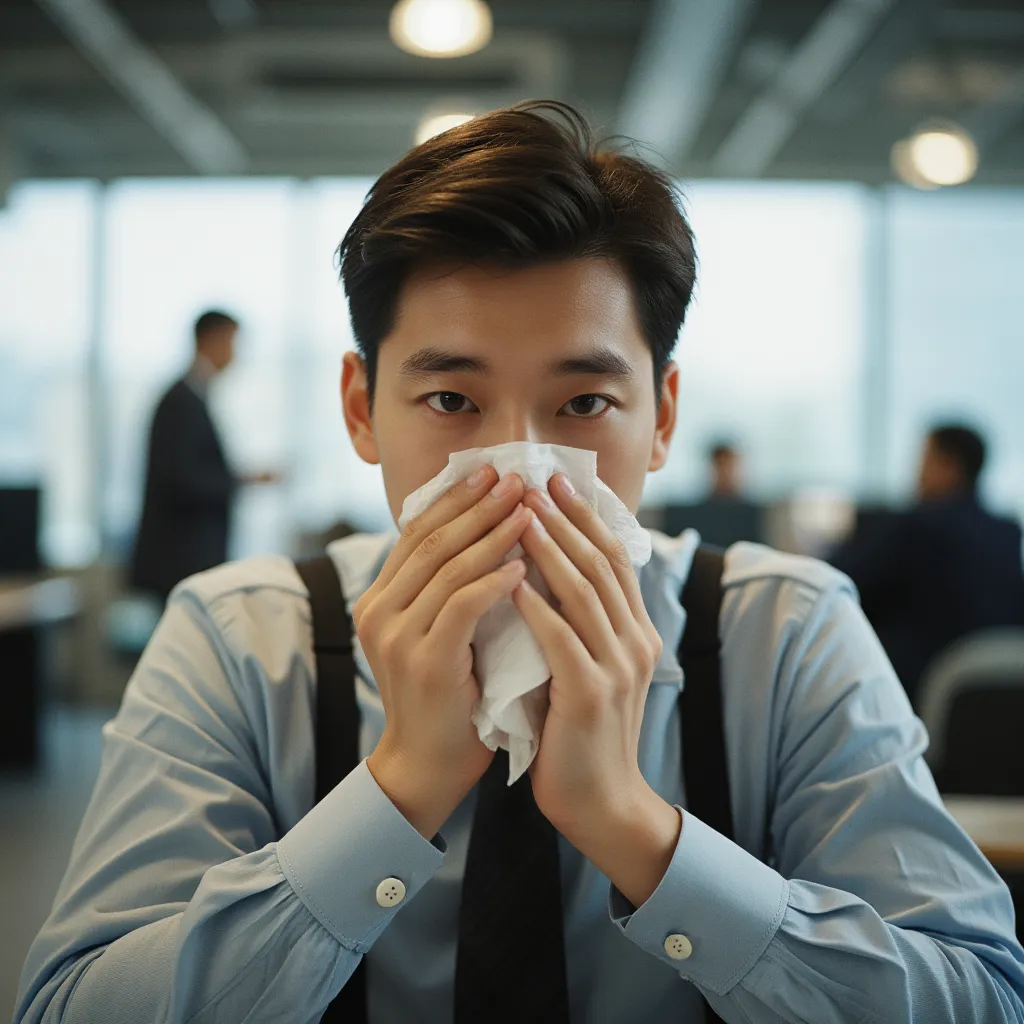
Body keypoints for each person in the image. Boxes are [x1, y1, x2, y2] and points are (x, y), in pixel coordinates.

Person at [17, 103, 1024, 1024]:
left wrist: (635, 830)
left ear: (663, 414)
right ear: (361, 409)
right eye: (452, 401)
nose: (523, 478)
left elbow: (979, 996)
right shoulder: (241, 641)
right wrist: (399, 788)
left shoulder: (783, 633)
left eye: (582, 404)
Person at [833, 423, 1024, 706]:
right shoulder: (1007, 530)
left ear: (948, 466)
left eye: (923, 461)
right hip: (996, 691)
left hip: (916, 687)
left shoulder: (917, 525)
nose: (916, 474)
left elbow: (842, 582)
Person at [129, 310, 278, 603]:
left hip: (185, 556)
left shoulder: (193, 396)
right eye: (232, 343)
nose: (236, 355)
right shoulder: (181, 401)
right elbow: (183, 479)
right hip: (179, 558)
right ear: (213, 339)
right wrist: (243, 480)